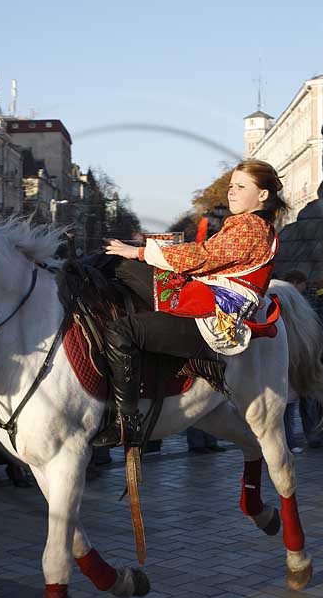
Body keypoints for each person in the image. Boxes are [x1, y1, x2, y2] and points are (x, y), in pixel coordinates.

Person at [95, 159, 284, 446]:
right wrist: (133, 254)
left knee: (121, 331)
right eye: (231, 185)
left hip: (214, 316)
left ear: (263, 195)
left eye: (240, 186)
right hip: (202, 297)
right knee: (116, 263)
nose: (231, 192)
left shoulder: (252, 227)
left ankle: (127, 421)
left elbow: (202, 256)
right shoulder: (243, 224)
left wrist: (142, 252)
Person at [283, 270, 323, 449]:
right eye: (292, 283)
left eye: (299, 283)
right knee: (288, 402)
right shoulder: (282, 301)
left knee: (309, 399)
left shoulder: (314, 302)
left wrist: (322, 351)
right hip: (290, 358)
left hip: (310, 356)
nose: (296, 287)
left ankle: (313, 435)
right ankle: (288, 439)